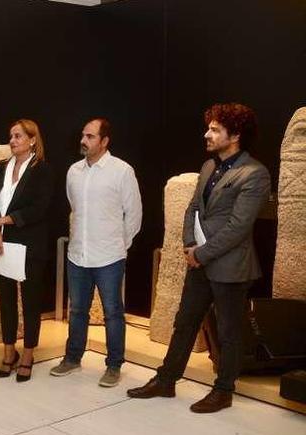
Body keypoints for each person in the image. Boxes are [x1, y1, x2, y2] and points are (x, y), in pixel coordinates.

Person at [127, 103, 270, 413]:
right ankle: (166, 380)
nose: (207, 134)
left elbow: (238, 227)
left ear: (235, 135)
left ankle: (223, 390)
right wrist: (190, 245)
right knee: (185, 322)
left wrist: (201, 253)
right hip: (199, 262)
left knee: (228, 332)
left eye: (215, 129)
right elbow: (193, 208)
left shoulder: (255, 174)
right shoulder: (208, 167)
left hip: (230, 268)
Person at [50, 118, 142, 387]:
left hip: (109, 256)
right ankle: (72, 358)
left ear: (104, 141)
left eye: (90, 136)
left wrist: (120, 244)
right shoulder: (73, 172)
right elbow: (73, 207)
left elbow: (134, 213)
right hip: (78, 254)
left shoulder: (122, 171)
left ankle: (114, 365)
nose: (84, 140)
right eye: (83, 135)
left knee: (113, 311)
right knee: (77, 309)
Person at [0, 119, 54, 382]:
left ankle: (28, 355)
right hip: (1, 243)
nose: (12, 141)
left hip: (30, 246)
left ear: (32, 140)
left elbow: (40, 207)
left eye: (18, 136)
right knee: (6, 300)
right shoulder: (2, 166)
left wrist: (5, 221)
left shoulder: (42, 170)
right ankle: (8, 352)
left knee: (31, 302)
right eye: (10, 136)